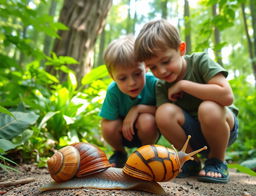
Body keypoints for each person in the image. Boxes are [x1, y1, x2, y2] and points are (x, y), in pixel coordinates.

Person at [134, 19, 239, 183]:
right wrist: (137, 110)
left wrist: (184, 85)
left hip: (222, 127)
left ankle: (217, 161)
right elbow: (163, 119)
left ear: (181, 49)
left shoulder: (200, 62)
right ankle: (190, 161)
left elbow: (226, 96)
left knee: (208, 108)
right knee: (163, 113)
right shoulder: (162, 85)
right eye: (153, 67)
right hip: (194, 135)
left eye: (166, 61)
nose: (161, 71)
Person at [99, 35, 159, 168]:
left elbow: (164, 109)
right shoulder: (113, 91)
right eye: (122, 78)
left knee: (147, 120)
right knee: (107, 126)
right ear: (112, 77)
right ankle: (120, 153)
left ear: (146, 67)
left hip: (148, 130)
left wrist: (137, 109)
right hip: (123, 133)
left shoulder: (154, 84)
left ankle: (146, 155)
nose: (132, 83)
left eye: (137, 74)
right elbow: (108, 120)